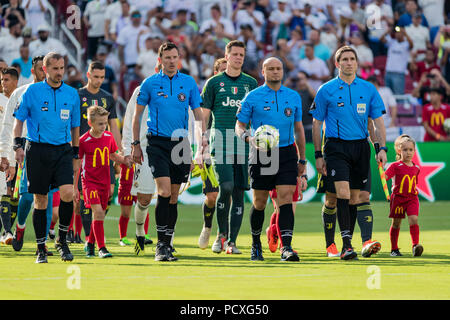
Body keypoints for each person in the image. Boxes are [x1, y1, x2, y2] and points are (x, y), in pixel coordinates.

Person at [310, 46, 387, 260]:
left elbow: (377, 123)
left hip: (361, 147)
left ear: (357, 62)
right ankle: (341, 245)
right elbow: (316, 124)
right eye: (344, 59)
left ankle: (363, 242)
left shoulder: (368, 89)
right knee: (338, 196)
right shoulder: (326, 90)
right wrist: (318, 154)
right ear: (337, 64)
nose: (349, 62)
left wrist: (380, 147)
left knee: (359, 197)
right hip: (336, 147)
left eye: (352, 59)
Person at [131, 42, 206, 262]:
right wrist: (135, 144)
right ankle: (161, 246)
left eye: (175, 57)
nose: (171, 61)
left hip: (181, 144)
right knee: (163, 192)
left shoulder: (189, 82)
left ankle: (168, 241)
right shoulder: (150, 83)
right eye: (167, 57)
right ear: (160, 59)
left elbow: (199, 115)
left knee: (173, 197)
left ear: (179, 58)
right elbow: (137, 116)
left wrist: (200, 143)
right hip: (157, 144)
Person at [236, 57, 307, 262]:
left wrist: (302, 159)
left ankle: (286, 247)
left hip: (286, 152)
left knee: (285, 199)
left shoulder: (293, 97)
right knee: (260, 202)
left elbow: (299, 128)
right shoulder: (252, 97)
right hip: (261, 154)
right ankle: (256, 243)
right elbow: (239, 126)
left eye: (279, 69)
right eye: (271, 69)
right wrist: (249, 138)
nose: (275, 72)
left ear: (283, 71)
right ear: (263, 71)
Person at [12, 52, 81, 264]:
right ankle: (41, 247)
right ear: (45, 69)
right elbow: (19, 121)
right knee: (40, 200)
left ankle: (61, 240)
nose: (60, 72)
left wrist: (76, 151)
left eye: (62, 68)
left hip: (62, 150)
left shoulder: (71, 94)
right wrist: (17, 146)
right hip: (37, 150)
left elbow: (75, 125)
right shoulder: (31, 91)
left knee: (68, 193)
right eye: (55, 68)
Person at [201, 41, 258, 254]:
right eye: (234, 54)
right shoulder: (214, 83)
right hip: (220, 142)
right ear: (226, 55)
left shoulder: (251, 84)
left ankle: (232, 241)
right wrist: (202, 142)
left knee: (239, 192)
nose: (238, 58)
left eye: (241, 54)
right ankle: (221, 234)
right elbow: (204, 116)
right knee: (225, 187)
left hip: (243, 144)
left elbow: (255, 114)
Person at [316, 119, 382, 258]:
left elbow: (370, 124)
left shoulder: (365, 97)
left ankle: (362, 243)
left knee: (362, 196)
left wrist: (378, 148)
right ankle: (330, 245)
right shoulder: (331, 97)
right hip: (336, 151)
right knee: (332, 199)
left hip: (359, 152)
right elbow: (322, 124)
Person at [0, 55, 46, 252]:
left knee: (47, 199)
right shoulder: (21, 94)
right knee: (26, 197)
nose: (49, 73)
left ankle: (41, 245)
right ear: (34, 71)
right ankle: (18, 228)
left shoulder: (58, 93)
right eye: (44, 69)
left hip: (53, 148)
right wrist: (7, 157)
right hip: (26, 148)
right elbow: (9, 126)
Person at [76, 61, 122, 245]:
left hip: (104, 154)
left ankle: (90, 238)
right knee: (81, 197)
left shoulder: (108, 98)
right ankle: (81, 234)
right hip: (84, 152)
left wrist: (118, 152)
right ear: (88, 75)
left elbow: (114, 126)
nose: (99, 80)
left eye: (102, 77)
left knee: (107, 196)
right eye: (96, 76)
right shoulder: (77, 96)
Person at [77, 106, 130, 258]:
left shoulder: (108, 137)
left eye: (105, 123)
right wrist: (75, 187)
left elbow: (113, 155)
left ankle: (90, 244)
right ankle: (102, 248)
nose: (103, 126)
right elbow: (78, 164)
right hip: (90, 182)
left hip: (105, 182)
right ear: (90, 123)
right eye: (100, 123)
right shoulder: (83, 141)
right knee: (98, 212)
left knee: (99, 215)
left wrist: (125, 160)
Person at [121, 85, 156, 255]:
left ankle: (167, 242)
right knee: (143, 198)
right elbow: (129, 119)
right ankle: (140, 231)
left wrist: (189, 151)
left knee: (170, 195)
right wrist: (128, 150)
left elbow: (189, 118)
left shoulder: (182, 85)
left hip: (172, 148)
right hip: (145, 148)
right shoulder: (143, 88)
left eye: (175, 57)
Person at [196, 57, 226, 250]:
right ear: (215, 73)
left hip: (232, 147)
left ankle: (221, 235)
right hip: (210, 148)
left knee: (228, 193)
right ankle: (207, 226)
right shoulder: (209, 92)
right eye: (222, 70)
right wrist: (200, 147)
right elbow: (199, 122)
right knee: (212, 195)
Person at [385, 134, 423, 257]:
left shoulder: (416, 168)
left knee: (414, 219)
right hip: (398, 199)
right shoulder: (395, 166)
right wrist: (381, 170)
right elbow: (385, 177)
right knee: (396, 223)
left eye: (411, 150)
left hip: (412, 198)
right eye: (405, 150)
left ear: (414, 151)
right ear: (399, 151)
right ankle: (394, 249)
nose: (408, 152)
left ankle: (415, 246)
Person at [0, 67, 18, 244]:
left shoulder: (19, 99)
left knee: (15, 195)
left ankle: (6, 231)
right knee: (4, 191)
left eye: (6, 80)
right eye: (2, 80)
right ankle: (7, 231)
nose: (3, 83)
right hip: (1, 153)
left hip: (16, 153)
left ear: (15, 81)